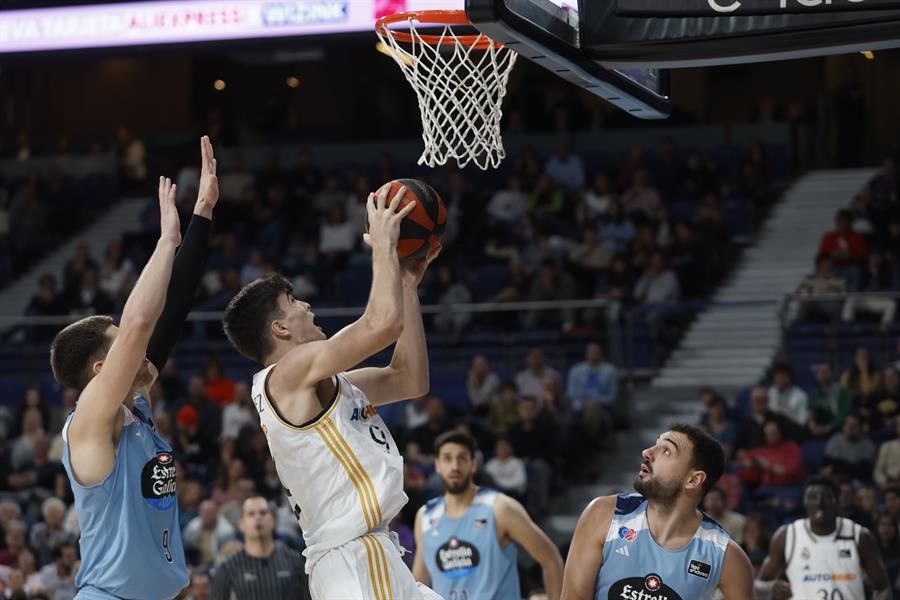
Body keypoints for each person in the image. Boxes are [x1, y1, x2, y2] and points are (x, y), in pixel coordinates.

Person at [222, 184, 442, 600]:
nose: (307, 306)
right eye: (293, 301)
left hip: (369, 556)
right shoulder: (285, 374)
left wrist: (407, 284)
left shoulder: (326, 386)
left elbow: (410, 378)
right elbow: (381, 325)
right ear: (280, 329)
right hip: (354, 558)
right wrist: (383, 248)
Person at [50, 137, 218, 599]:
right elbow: (141, 323)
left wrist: (202, 210)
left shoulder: (135, 407)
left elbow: (176, 304)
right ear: (103, 369)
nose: (139, 349)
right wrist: (166, 241)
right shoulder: (89, 423)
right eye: (121, 342)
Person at [561, 424, 754, 599]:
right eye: (655, 445)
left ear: (693, 480)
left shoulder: (726, 555)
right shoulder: (603, 513)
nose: (647, 452)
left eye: (667, 451)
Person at [413, 431, 564, 600]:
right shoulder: (425, 516)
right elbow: (419, 583)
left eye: (462, 458)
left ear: (474, 464)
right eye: (447, 458)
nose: (455, 466)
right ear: (437, 465)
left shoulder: (500, 507)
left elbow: (551, 559)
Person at [755, 476, 890, 599]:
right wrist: (771, 588)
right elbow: (758, 585)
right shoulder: (787, 535)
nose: (819, 503)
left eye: (826, 497)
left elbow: (883, 589)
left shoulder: (860, 536)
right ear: (804, 502)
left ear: (838, 500)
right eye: (812, 497)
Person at [210, 496, 310, 600]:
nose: (258, 517)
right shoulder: (227, 569)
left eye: (263, 512)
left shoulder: (295, 562)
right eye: (251, 514)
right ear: (241, 524)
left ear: (273, 521)